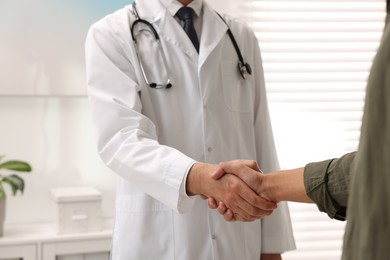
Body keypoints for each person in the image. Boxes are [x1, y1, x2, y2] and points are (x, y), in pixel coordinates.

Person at [85, 0, 295, 259]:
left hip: (238, 240)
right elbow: (120, 140)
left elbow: (262, 139)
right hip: (159, 240)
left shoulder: (240, 37)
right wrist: (201, 179)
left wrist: (271, 247)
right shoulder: (111, 34)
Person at [208, 2, 390, 258]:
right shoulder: (129, 34)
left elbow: (379, 167)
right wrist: (261, 185)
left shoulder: (239, 34)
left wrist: (263, 189)